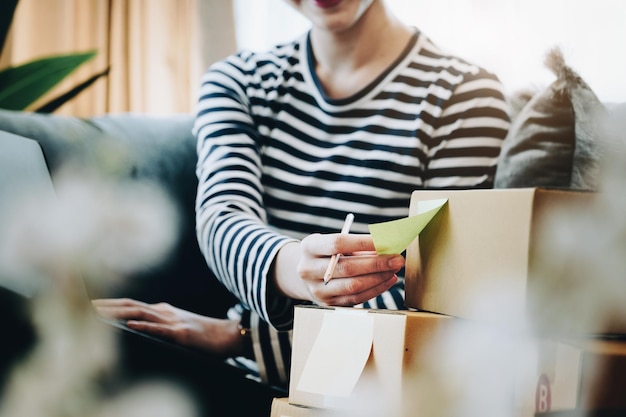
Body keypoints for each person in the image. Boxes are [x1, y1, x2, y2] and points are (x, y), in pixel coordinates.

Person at [94, 0, 510, 391]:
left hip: (374, 394)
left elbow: (438, 304)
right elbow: (222, 215)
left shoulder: (466, 97)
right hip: (247, 383)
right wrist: (291, 266)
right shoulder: (238, 82)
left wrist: (242, 340)